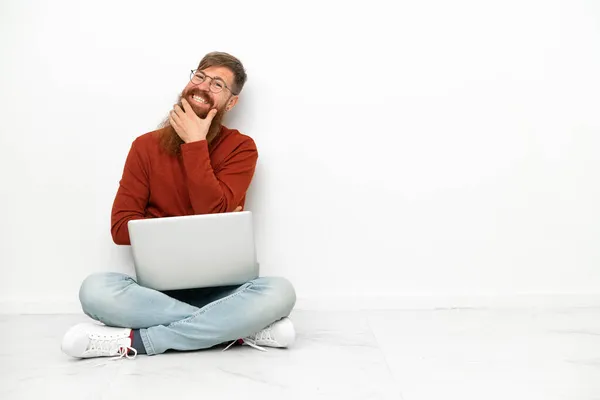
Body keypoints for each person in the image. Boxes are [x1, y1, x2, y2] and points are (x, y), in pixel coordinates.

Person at [61, 52, 296, 359]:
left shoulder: (241, 148)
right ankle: (239, 330)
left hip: (226, 291)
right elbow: (120, 229)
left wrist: (194, 145)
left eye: (217, 84)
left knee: (279, 292)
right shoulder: (145, 146)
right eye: (199, 76)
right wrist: (195, 224)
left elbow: (213, 215)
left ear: (230, 103)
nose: (203, 86)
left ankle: (138, 342)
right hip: (156, 294)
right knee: (94, 290)